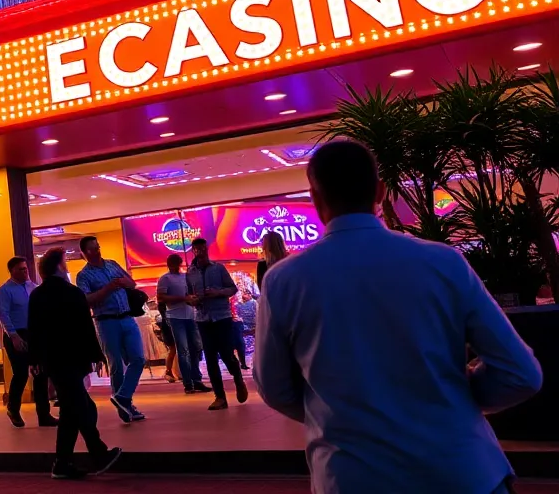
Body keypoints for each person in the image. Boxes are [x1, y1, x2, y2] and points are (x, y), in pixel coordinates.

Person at [254, 139, 543, 494]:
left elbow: (275, 388)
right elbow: (521, 373)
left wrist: (340, 410)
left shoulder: (284, 281)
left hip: (352, 476)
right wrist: (457, 394)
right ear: (380, 190)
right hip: (463, 471)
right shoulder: (443, 262)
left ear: (315, 199)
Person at [28, 247, 123, 480]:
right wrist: (96, 354)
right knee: (83, 407)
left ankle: (62, 463)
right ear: (60, 267)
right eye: (65, 263)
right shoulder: (72, 293)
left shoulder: (37, 295)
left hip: (53, 359)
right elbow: (85, 326)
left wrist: (35, 358)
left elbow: (35, 329)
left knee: (71, 410)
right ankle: (98, 452)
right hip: (72, 357)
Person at [75, 236, 145, 423]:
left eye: (97, 247)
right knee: (115, 365)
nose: (97, 251)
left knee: (138, 359)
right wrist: (107, 289)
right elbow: (86, 300)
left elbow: (132, 283)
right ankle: (125, 409)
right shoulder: (84, 276)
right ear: (84, 253)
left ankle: (122, 397)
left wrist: (123, 282)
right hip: (106, 322)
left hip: (127, 317)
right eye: (91, 249)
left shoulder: (113, 265)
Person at [185, 237, 247, 410]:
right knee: (210, 358)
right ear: (193, 251)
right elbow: (187, 296)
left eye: (204, 249)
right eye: (198, 250)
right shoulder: (190, 273)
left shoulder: (218, 268)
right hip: (203, 319)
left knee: (227, 354)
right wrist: (192, 300)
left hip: (222, 317)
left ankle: (238, 380)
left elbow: (232, 289)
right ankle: (220, 397)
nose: (202, 252)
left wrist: (217, 293)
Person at [0, 256, 55, 428]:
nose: (25, 271)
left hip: (34, 333)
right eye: (20, 269)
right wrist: (13, 336)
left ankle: (44, 415)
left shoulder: (34, 288)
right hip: (16, 333)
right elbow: (3, 314)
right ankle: (13, 409)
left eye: (25, 268)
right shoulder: (5, 290)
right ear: (12, 271)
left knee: (41, 373)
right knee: (21, 374)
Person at [157, 254, 208, 395]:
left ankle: (196, 379)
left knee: (195, 348)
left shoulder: (185, 277)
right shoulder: (165, 279)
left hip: (191, 315)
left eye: (177, 264)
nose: (176, 266)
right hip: (176, 317)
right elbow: (161, 298)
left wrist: (194, 298)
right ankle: (188, 382)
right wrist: (182, 298)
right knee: (183, 350)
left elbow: (191, 293)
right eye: (174, 264)